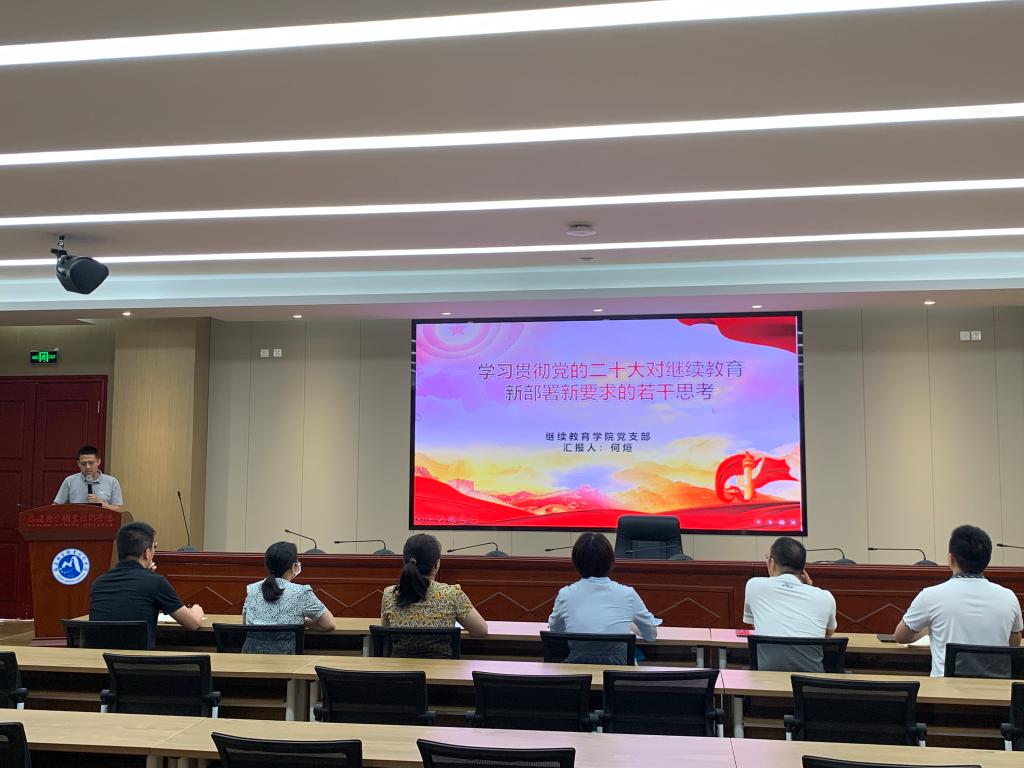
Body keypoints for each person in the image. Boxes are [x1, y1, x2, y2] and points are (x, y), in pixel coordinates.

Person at [893, 525, 1022, 677]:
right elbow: (1014, 644)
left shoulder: (930, 596)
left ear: (951, 558)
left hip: (946, 689)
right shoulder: (1009, 597)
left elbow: (901, 636)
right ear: (987, 560)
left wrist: (928, 630)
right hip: (997, 688)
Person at [547, 532, 661, 664]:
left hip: (578, 670)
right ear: (611, 561)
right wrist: (630, 625)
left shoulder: (565, 594)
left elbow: (555, 631)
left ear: (576, 563)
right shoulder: (627, 594)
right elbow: (651, 635)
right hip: (619, 671)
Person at [89, 521, 203, 648]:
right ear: (147, 552)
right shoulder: (155, 582)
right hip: (139, 659)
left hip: (103, 658)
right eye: (154, 547)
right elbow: (192, 624)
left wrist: (145, 574)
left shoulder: (98, 583)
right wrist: (196, 609)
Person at [380, 533, 488, 657]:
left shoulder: (389, 594)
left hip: (400, 668)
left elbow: (385, 631)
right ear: (436, 564)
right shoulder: (452, 594)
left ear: (406, 562)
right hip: (441, 668)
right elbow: (481, 631)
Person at [743, 536, 837, 671]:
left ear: (772, 563)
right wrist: (810, 588)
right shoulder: (825, 597)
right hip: (809, 680)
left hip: (767, 677)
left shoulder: (754, 586)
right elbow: (828, 633)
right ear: (803, 568)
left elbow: (756, 624)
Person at [241, 541, 336, 653]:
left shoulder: (252, 589)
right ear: (294, 566)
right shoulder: (301, 592)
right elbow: (328, 624)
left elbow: (245, 623)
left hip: (250, 659)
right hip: (286, 660)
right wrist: (302, 621)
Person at [54, 445, 124, 512]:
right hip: (77, 519)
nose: (87, 467)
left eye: (91, 463)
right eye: (83, 464)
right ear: (78, 463)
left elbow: (118, 509)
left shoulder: (112, 482)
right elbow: (56, 505)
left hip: (102, 519)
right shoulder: (70, 481)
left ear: (99, 462)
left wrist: (100, 503)